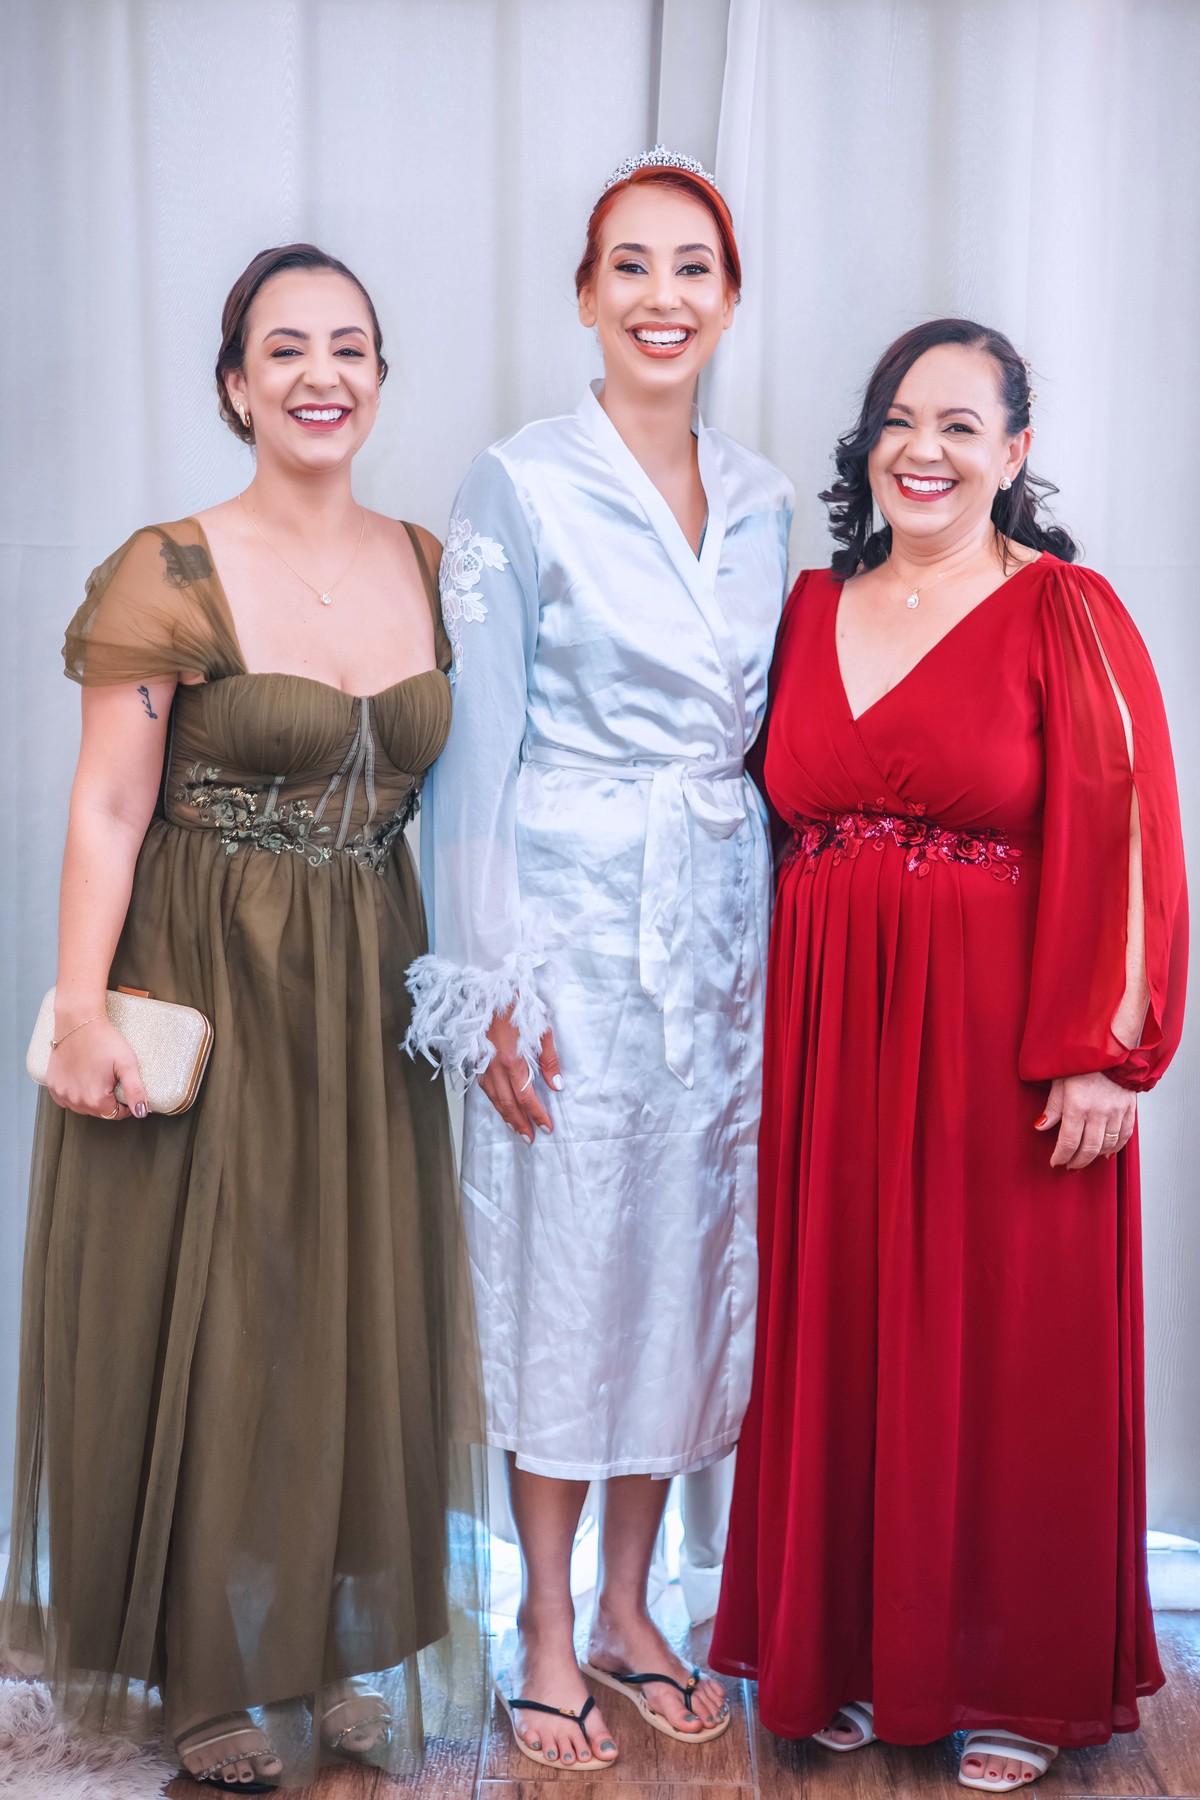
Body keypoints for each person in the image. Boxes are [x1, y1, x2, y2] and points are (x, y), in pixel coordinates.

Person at [0, 243, 485, 1791]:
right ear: (235, 385)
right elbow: (108, 804)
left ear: (381, 378)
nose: (320, 375)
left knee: (347, 1305)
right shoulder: (172, 567)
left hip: (369, 987)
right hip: (208, 973)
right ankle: (208, 1672)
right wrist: (83, 1007)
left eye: (348, 347)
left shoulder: (432, 560)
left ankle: (334, 1648)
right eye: (285, 350)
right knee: (219, 1314)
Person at [710, 318, 1188, 1790]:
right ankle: (856, 1655)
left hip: (1004, 1046)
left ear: (1014, 453)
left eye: (962, 426)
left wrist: (1105, 1052)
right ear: (868, 445)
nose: (924, 450)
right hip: (833, 1038)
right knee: (852, 1332)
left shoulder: (1066, 610)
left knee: (1010, 1346)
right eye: (900, 421)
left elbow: (1132, 832)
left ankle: (1020, 1679)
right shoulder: (805, 609)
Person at [406, 149, 793, 1770]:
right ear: (584, 293)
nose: (661, 295)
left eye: (692, 266)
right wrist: (491, 985)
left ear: (730, 297)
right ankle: (548, 1628)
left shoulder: (764, 498)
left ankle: (638, 1610)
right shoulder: (521, 481)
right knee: (562, 1269)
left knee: (683, 1265)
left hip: (714, 931)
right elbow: (472, 753)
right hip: (563, 921)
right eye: (629, 265)